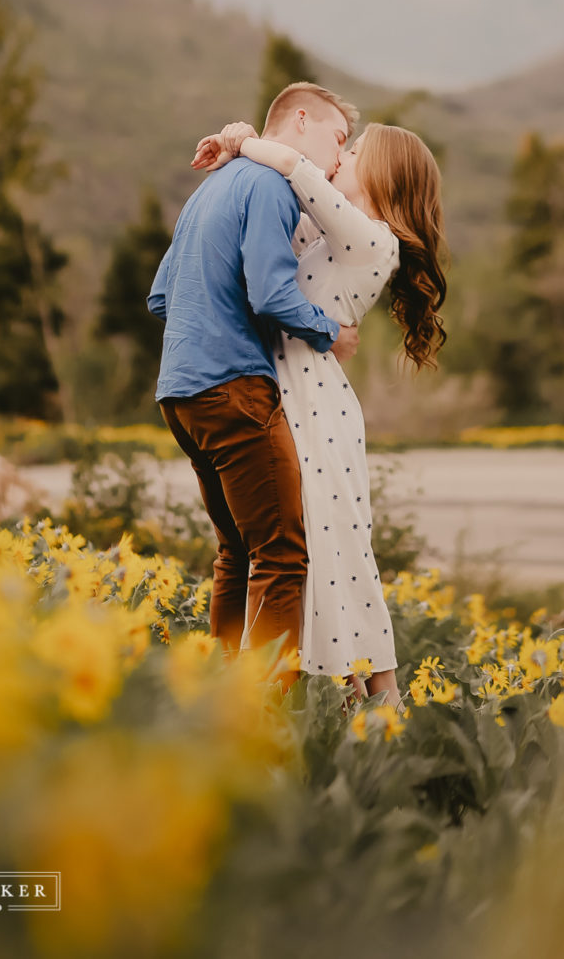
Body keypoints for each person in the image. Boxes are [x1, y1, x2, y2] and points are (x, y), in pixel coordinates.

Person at [190, 112, 447, 709]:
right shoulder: (327, 232)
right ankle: (349, 703)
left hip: (315, 408)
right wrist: (239, 142)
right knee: (310, 557)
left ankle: (383, 706)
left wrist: (251, 142)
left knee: (339, 556)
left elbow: (291, 166)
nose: (343, 157)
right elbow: (272, 207)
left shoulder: (372, 239)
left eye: (356, 150)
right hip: (284, 392)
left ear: (384, 176)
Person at [147, 83, 361, 688]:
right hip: (233, 389)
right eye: (337, 140)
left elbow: (162, 293)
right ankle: (266, 721)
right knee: (282, 552)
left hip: (178, 393)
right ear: (299, 120)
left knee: (236, 552)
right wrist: (330, 330)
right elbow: (271, 293)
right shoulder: (271, 187)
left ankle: (221, 698)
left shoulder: (211, 188)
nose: (339, 159)